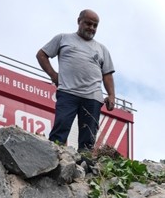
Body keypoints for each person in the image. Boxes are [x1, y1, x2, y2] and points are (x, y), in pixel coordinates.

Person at [36, 9, 116, 151]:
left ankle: (85, 166)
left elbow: (107, 74)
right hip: (68, 93)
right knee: (60, 129)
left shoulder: (102, 49)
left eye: (95, 25)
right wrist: (54, 75)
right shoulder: (62, 38)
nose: (91, 28)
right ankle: (52, 157)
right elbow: (42, 54)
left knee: (88, 139)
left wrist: (111, 95)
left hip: (93, 97)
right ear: (79, 21)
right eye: (88, 23)